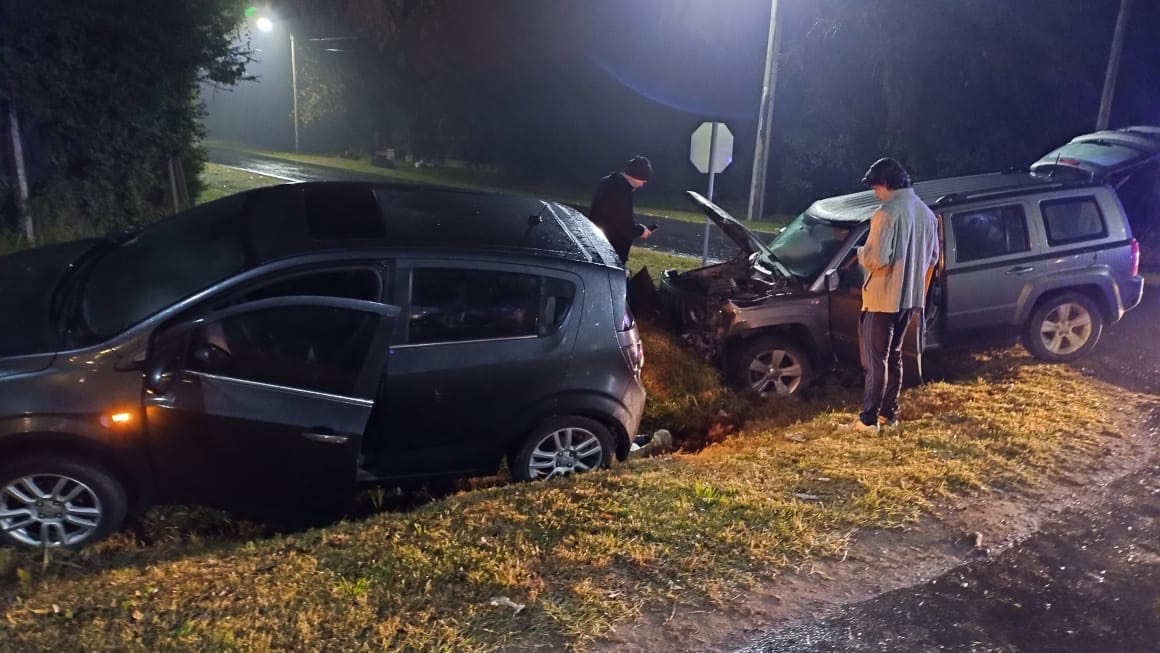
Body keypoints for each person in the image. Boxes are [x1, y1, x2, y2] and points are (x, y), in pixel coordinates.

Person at [844, 157, 939, 433]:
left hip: (883, 297)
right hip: (909, 298)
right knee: (894, 356)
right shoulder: (926, 214)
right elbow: (933, 257)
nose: (875, 193)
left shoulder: (886, 214)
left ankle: (868, 420)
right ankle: (890, 415)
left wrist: (859, 252)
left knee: (876, 362)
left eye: (876, 188)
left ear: (886, 184)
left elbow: (877, 259)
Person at [588, 155, 654, 265]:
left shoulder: (606, 182)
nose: (642, 185)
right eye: (643, 181)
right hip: (611, 249)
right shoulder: (621, 190)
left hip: (595, 241)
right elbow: (622, 224)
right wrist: (640, 231)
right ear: (637, 176)